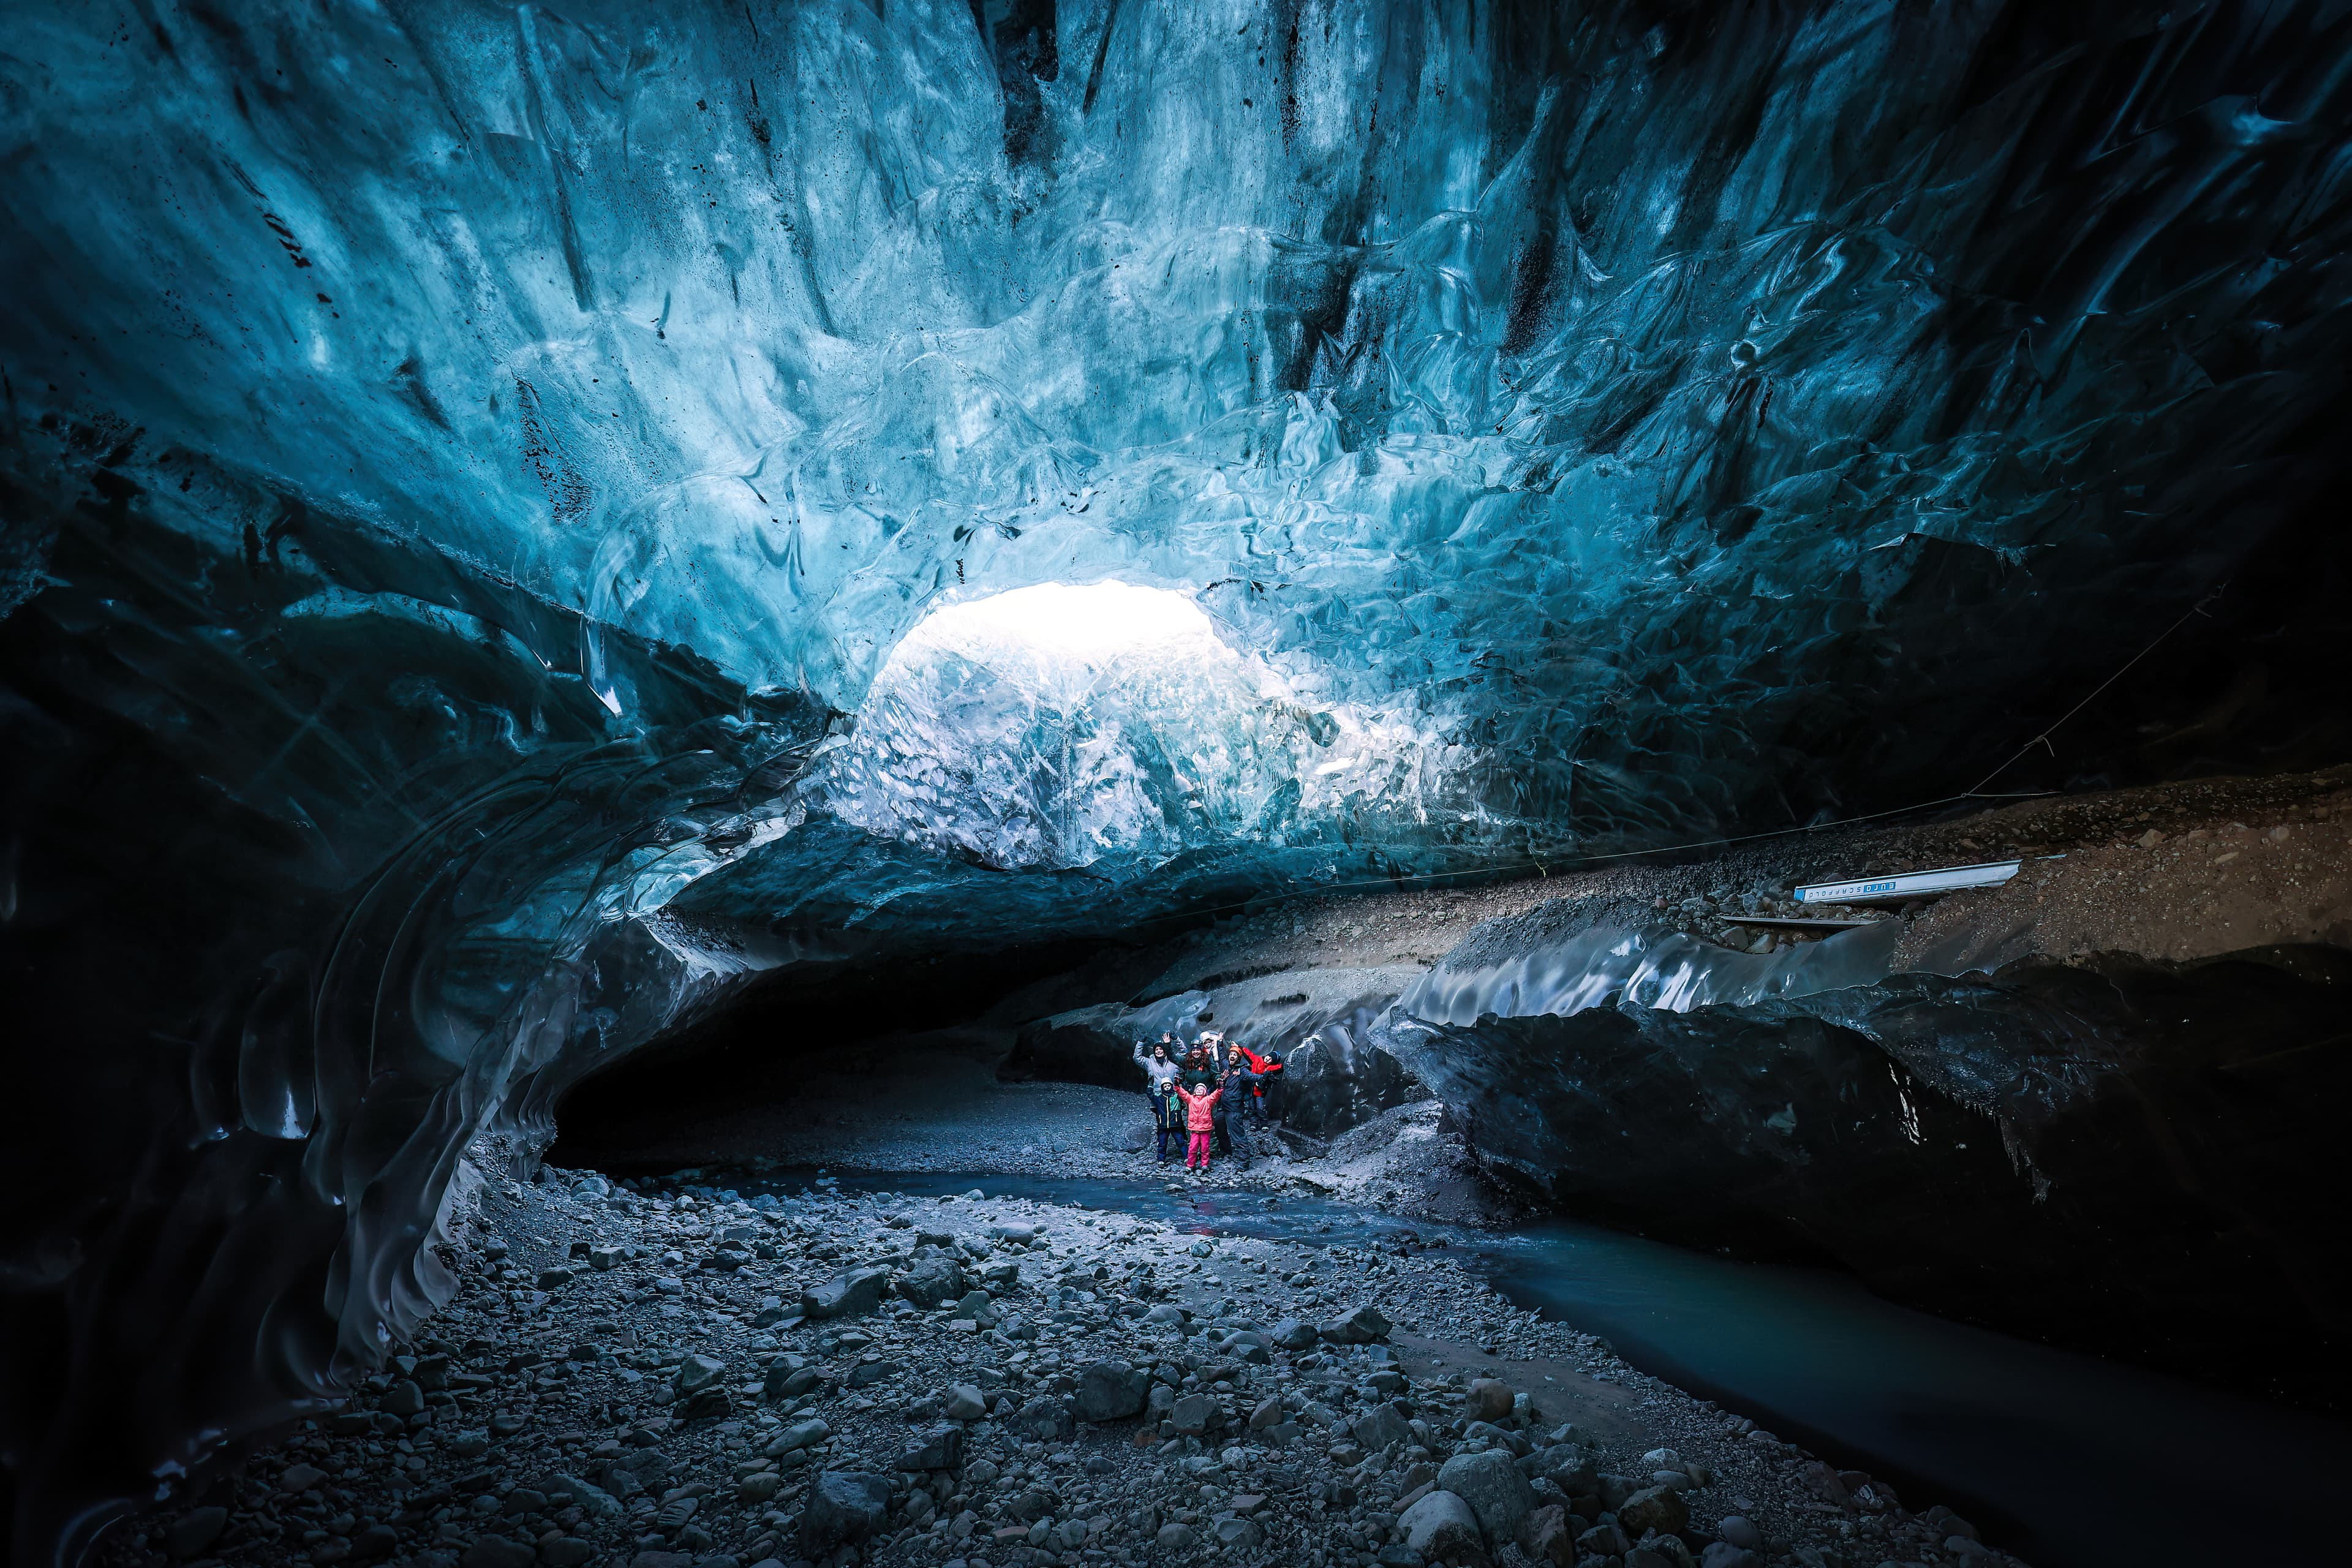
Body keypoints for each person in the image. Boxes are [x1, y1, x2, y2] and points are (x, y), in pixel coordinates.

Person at [1132, 1035, 1182, 1163]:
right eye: (1157, 1050)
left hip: (1173, 1096)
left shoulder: (1173, 1065)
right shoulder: (1149, 1062)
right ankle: (1162, 1145)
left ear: (1165, 1051)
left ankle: (1179, 1144)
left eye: (1161, 1049)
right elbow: (1137, 1058)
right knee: (1161, 1119)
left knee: (1176, 1119)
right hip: (1158, 1096)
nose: (1159, 1051)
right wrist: (1141, 1042)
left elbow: (1183, 1059)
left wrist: (1175, 1040)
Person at [1216, 1052, 1265, 1168]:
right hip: (1224, 1107)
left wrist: (1264, 1077)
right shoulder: (1227, 1067)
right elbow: (1222, 1057)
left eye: (1235, 1055)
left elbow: (1252, 1076)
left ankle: (1244, 1162)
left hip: (1234, 1108)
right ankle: (1226, 1152)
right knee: (1219, 1126)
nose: (1232, 1056)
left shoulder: (1242, 1071)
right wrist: (1219, 1043)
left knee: (1237, 1135)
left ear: (1238, 1058)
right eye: (1231, 1054)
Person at [1175, 1079, 1221, 1172]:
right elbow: (1183, 1094)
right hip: (1195, 1129)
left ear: (1205, 1091)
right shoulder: (1191, 1099)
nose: (1200, 1090)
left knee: (1205, 1148)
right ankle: (1190, 1165)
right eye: (1198, 1089)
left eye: (1202, 1089)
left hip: (1205, 1129)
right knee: (1193, 1148)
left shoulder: (1208, 1100)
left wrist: (1219, 1088)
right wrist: (1177, 1087)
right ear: (1195, 1091)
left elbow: (1216, 1095)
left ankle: (1204, 1165)